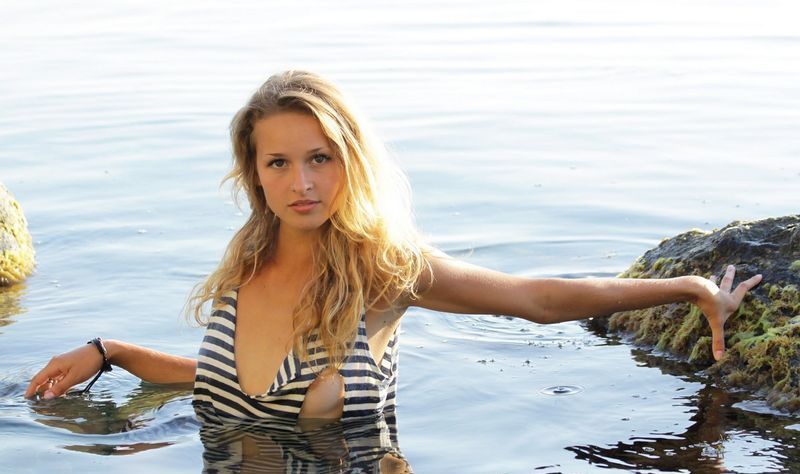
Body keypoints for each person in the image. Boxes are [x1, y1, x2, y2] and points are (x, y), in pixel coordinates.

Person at [24, 70, 762, 424]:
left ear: (351, 159)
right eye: (278, 162)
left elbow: (534, 300)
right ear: (254, 172)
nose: (301, 183)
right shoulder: (244, 267)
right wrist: (111, 350)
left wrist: (690, 289)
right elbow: (230, 386)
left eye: (321, 158)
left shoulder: (384, 271)